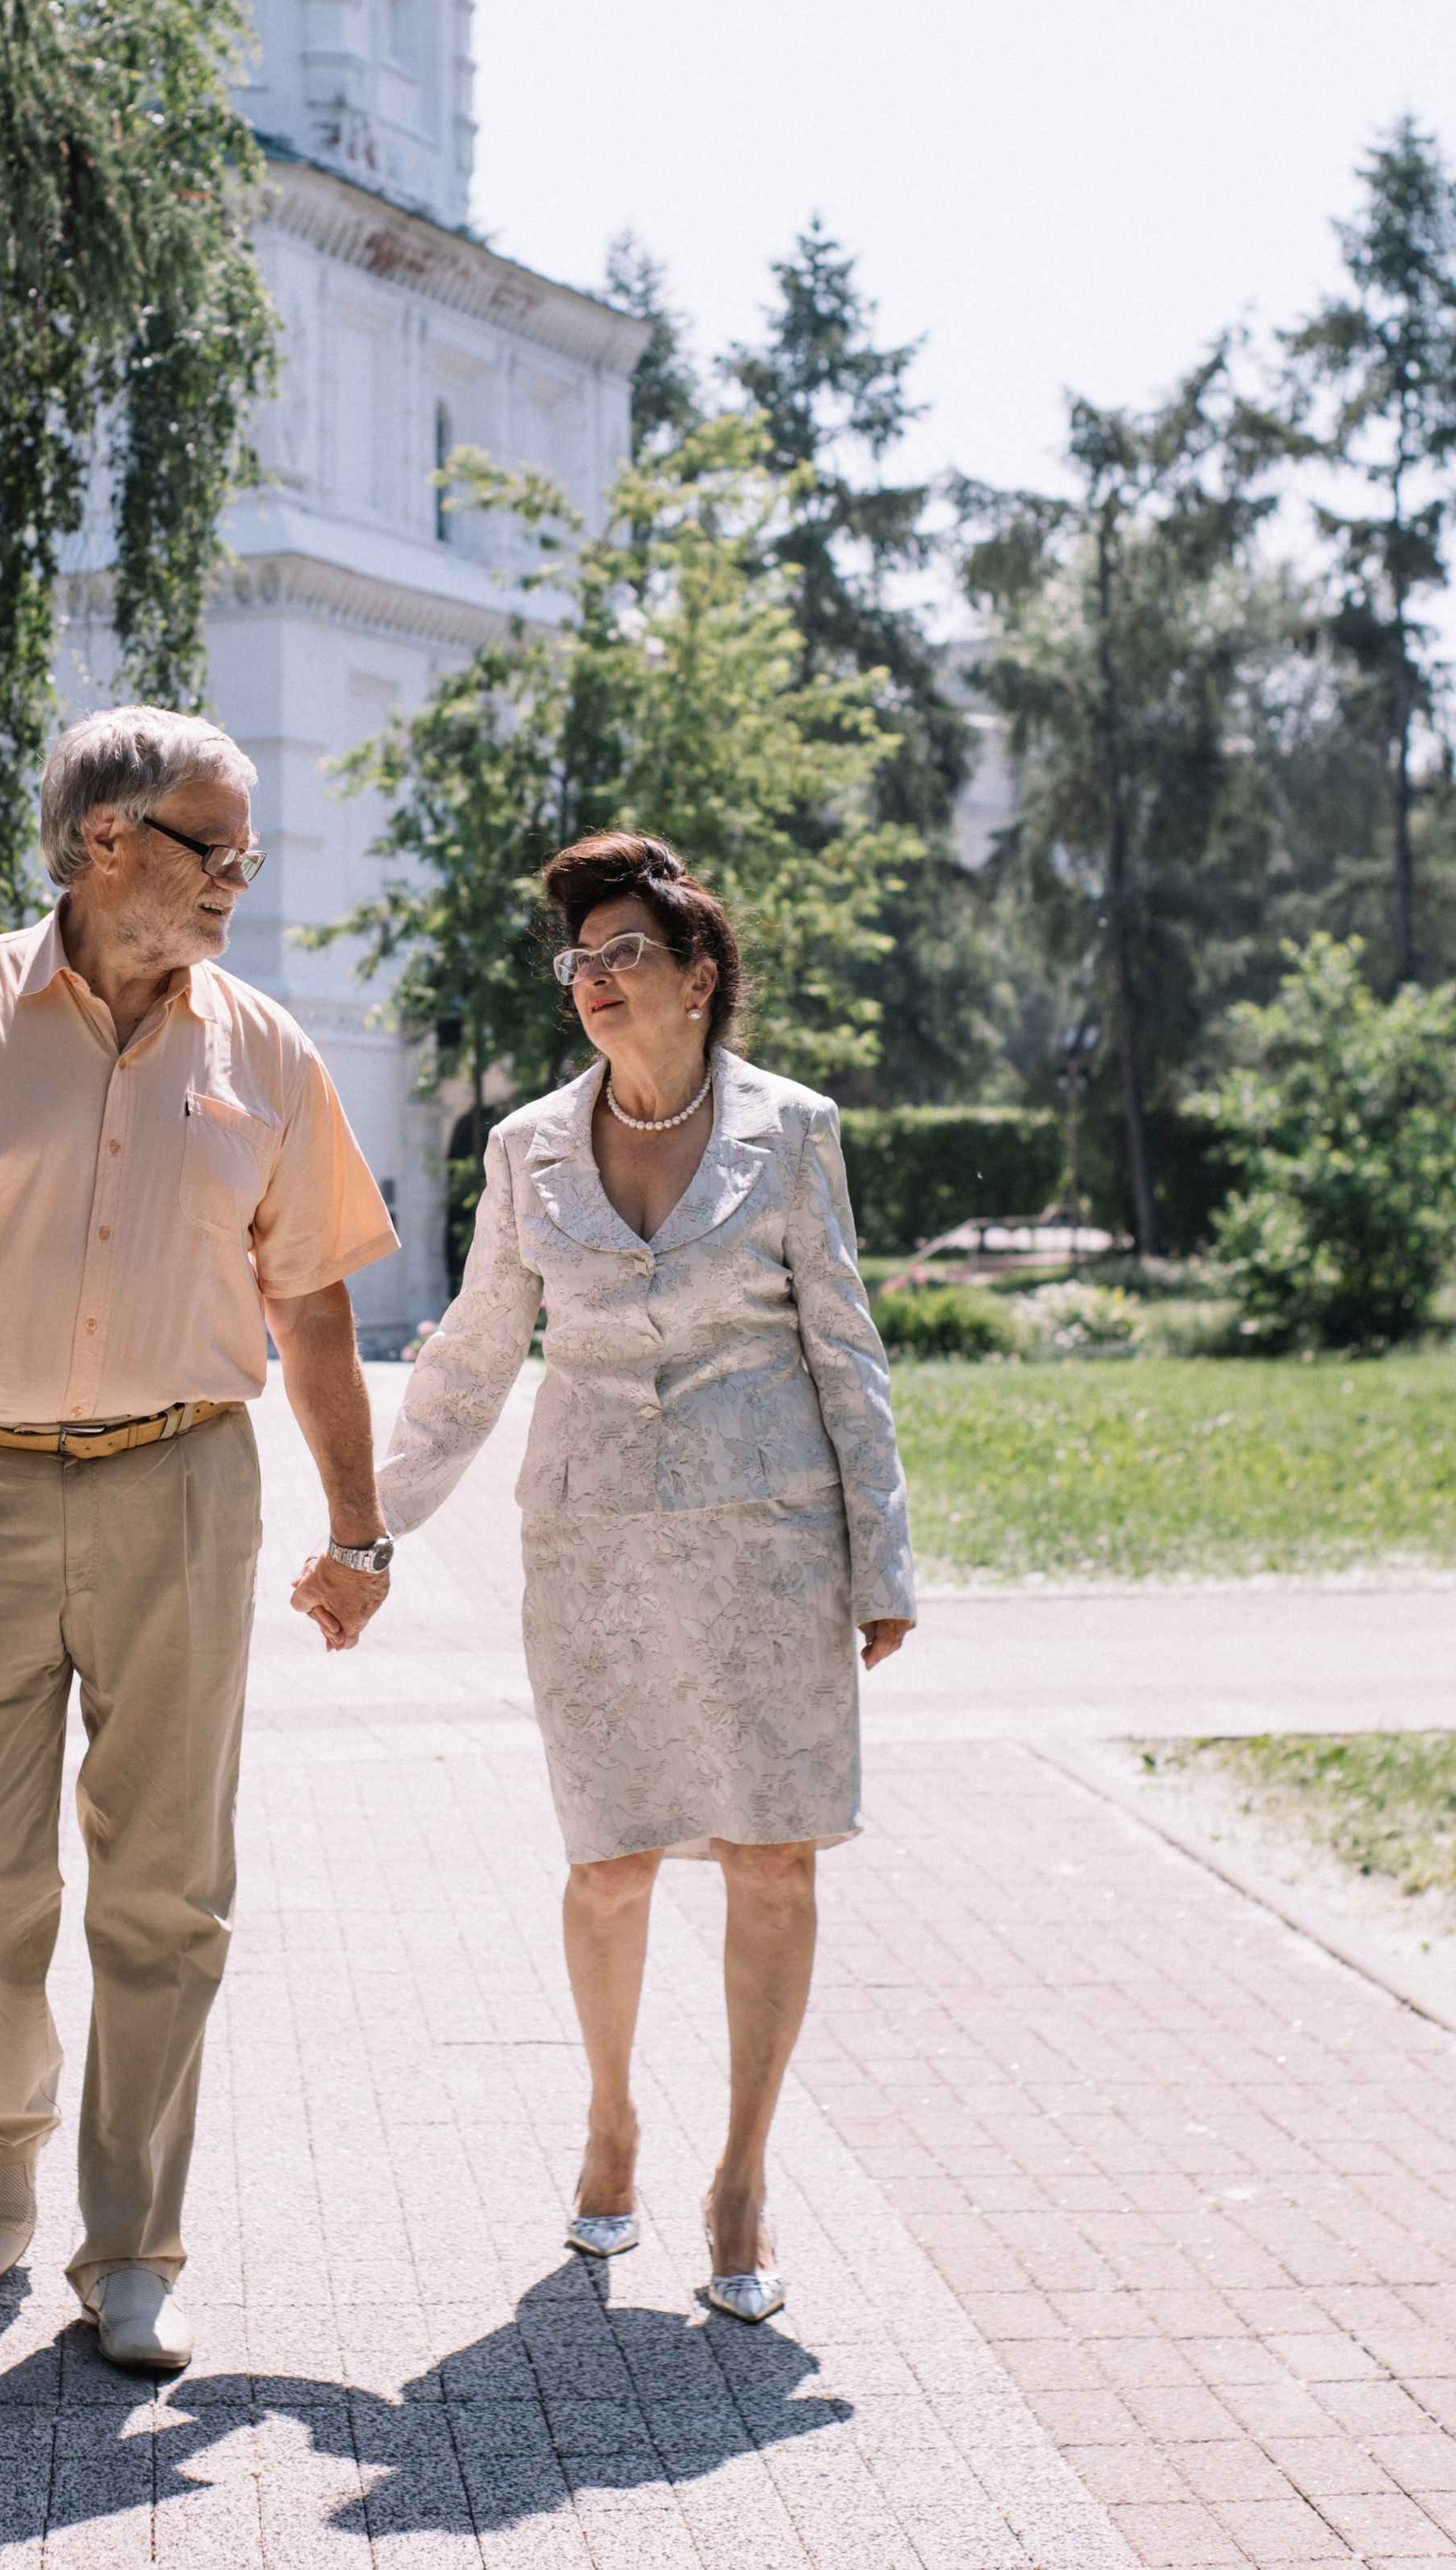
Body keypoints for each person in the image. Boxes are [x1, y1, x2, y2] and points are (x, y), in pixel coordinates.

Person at [0, 707, 398, 2375]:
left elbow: (315, 1306)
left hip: (183, 1489)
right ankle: (4, 2120)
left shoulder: (266, 1051)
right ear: (104, 840)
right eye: (216, 847)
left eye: (245, 851)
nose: (240, 879)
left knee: (169, 1883)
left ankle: (134, 2244)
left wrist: (361, 1529)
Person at [375, 832, 915, 2325]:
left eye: (627, 954)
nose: (597, 980)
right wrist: (371, 1527)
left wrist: (883, 1557)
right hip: (595, 1550)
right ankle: (611, 2119)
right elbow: (474, 1354)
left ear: (700, 977)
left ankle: (741, 2174)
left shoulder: (794, 1131)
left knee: (772, 1856)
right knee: (610, 1862)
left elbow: (845, 1347)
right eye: (581, 960)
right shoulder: (525, 1146)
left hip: (771, 1548)